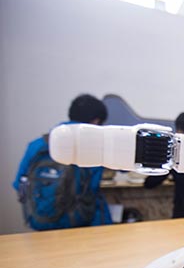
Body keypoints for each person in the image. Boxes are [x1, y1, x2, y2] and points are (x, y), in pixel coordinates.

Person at [13, 94, 113, 230]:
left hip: (41, 224)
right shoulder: (93, 146)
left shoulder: (37, 146)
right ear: (95, 121)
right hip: (83, 226)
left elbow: (19, 184)